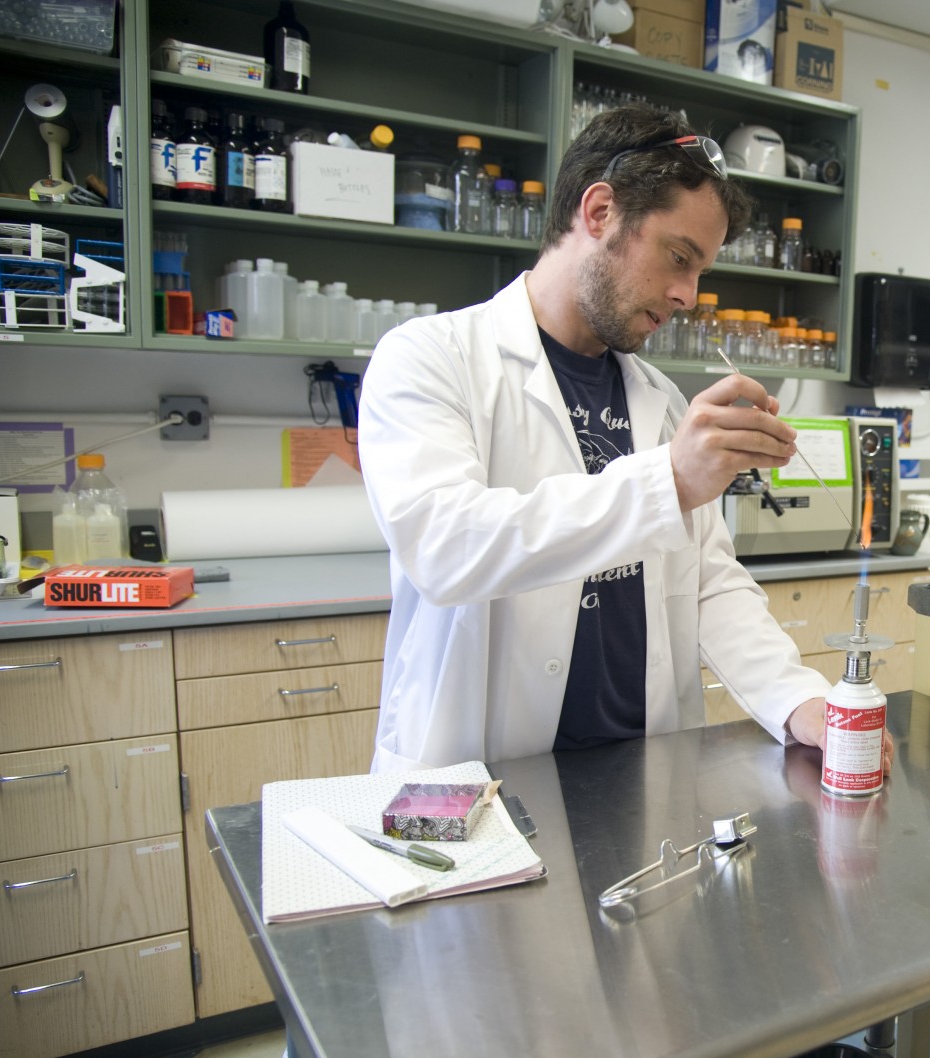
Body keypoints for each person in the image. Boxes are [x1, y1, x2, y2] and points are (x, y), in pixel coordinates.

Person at [357, 105, 833, 771]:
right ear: (601, 212)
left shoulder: (659, 399)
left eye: (701, 272)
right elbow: (445, 546)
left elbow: (708, 581)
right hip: (481, 782)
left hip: (639, 781)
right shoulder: (432, 358)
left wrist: (797, 700)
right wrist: (667, 481)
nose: (688, 295)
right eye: (678, 257)